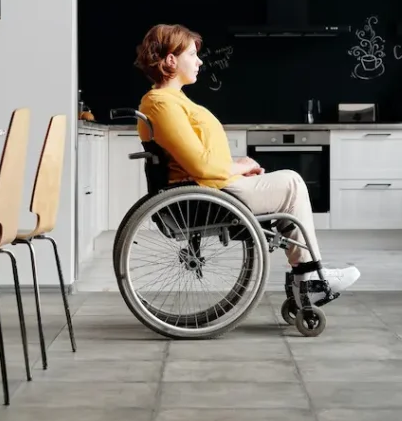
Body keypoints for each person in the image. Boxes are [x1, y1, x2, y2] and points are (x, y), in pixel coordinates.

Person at [133, 22, 361, 307]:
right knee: (291, 182)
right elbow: (201, 167)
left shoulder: (172, 100)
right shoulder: (160, 103)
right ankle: (309, 279)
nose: (199, 60)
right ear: (170, 60)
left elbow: (198, 158)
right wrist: (238, 166)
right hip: (205, 195)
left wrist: (234, 165)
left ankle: (308, 278)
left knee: (288, 189)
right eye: (192, 54)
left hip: (213, 187)